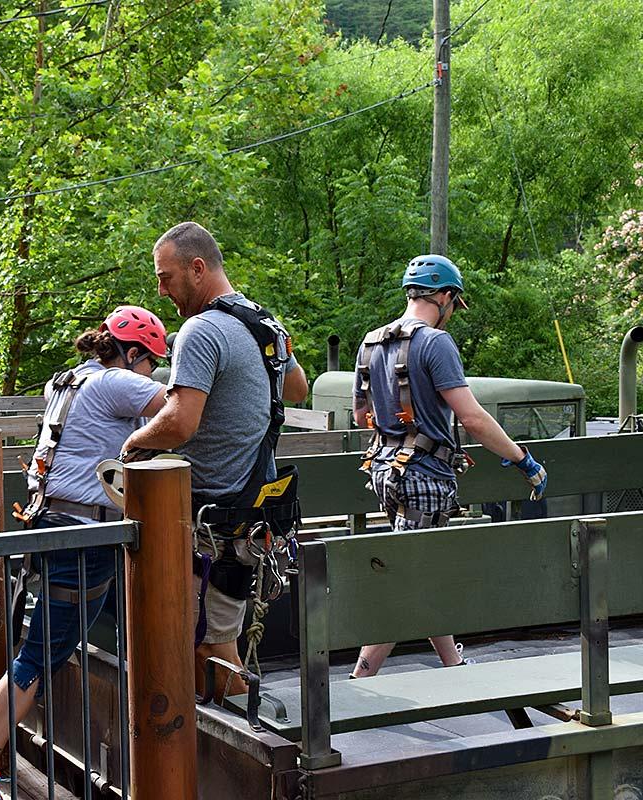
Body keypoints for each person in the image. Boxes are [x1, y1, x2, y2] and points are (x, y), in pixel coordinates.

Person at [0, 306, 168, 800]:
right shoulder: (117, 383)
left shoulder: (66, 381)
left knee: (126, 625)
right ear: (132, 354)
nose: (151, 370)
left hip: (57, 523)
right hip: (81, 536)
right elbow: (181, 406)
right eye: (150, 360)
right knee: (40, 654)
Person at [121, 221, 304, 699]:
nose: (160, 290)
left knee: (211, 648)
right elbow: (297, 388)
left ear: (197, 268)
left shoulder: (200, 329)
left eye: (166, 277)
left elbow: (180, 423)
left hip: (212, 522)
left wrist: (132, 443)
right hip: (250, 510)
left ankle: (252, 760)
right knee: (211, 638)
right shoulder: (264, 322)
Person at [349, 255, 547, 678]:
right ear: (444, 296)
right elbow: (472, 417)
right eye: (454, 303)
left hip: (386, 471)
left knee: (424, 569)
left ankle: (452, 664)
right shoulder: (435, 343)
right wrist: (522, 459)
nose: (453, 312)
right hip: (424, 477)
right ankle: (360, 680)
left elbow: (359, 416)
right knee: (407, 581)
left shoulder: (371, 342)